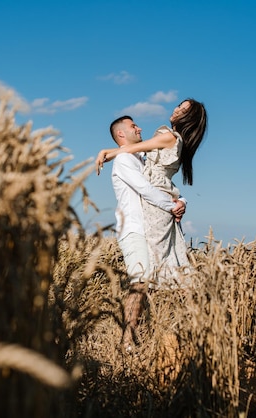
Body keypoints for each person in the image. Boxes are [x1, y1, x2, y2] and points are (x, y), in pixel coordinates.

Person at [98, 99, 207, 290]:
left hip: (157, 204)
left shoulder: (169, 137)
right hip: (160, 200)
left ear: (188, 118)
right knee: (163, 263)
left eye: (183, 110)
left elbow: (133, 151)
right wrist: (180, 201)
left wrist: (106, 151)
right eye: (179, 106)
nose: (176, 109)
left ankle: (169, 307)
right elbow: (160, 177)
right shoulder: (168, 143)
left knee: (158, 266)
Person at [104, 115, 187, 352]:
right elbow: (146, 189)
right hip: (133, 229)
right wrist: (173, 206)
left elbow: (162, 183)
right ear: (122, 134)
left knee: (149, 284)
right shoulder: (124, 161)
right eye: (133, 126)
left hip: (148, 229)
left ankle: (144, 336)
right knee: (140, 282)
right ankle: (126, 342)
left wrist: (181, 200)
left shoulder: (138, 158)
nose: (139, 128)